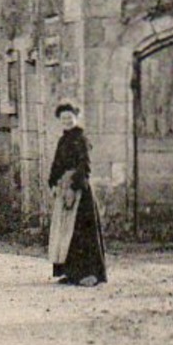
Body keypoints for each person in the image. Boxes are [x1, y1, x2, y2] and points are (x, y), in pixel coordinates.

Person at [46, 102, 106, 286]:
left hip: (80, 191)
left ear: (76, 118)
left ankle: (91, 274)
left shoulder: (81, 138)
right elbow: (57, 164)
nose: (66, 121)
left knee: (83, 231)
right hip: (64, 189)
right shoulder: (63, 140)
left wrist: (74, 186)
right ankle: (71, 273)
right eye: (63, 118)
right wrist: (53, 182)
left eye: (69, 118)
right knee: (66, 232)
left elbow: (85, 166)